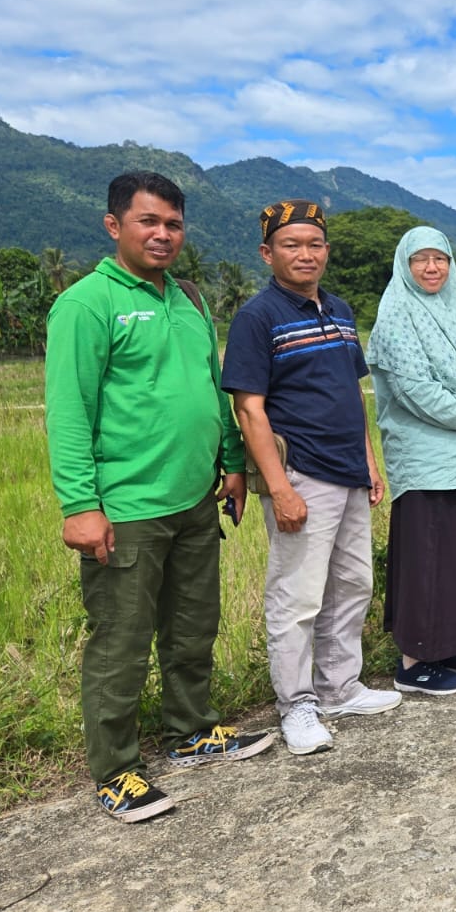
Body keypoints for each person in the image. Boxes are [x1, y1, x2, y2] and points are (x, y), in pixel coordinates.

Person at [45, 171, 274, 823]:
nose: (163, 234)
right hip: (126, 510)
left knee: (192, 626)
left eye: (173, 224)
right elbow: (68, 413)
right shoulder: (87, 304)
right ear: (114, 225)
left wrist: (232, 463)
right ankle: (116, 771)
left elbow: (209, 389)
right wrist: (80, 505)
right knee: (119, 640)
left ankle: (192, 730)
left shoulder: (190, 298)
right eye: (149, 222)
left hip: (195, 501)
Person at [221, 199, 401, 756]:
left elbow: (352, 395)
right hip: (301, 474)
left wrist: (369, 463)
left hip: (348, 471)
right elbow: (250, 410)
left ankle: (339, 687)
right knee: (297, 596)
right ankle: (296, 705)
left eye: (314, 244)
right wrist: (279, 488)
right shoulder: (258, 317)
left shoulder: (341, 310)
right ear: (267, 252)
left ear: (326, 250)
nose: (305, 254)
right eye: (291, 245)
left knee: (352, 584)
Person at [367, 227, 456, 695]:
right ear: (403, 265)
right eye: (421, 259)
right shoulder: (395, 315)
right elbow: (414, 391)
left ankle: (448, 647)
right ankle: (414, 662)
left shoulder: (455, 311)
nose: (432, 268)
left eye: (440, 259)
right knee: (426, 558)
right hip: (424, 457)